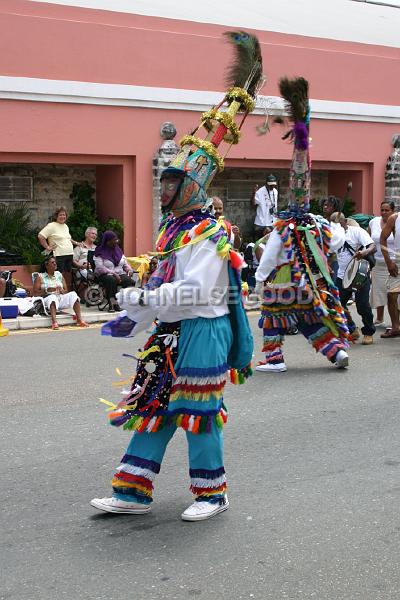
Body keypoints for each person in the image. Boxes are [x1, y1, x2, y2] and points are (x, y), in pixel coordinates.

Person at [90, 30, 258, 521]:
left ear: (191, 186)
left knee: (198, 414)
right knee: (153, 405)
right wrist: (141, 305)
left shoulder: (207, 230)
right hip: (172, 330)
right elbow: (168, 288)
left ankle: (212, 494)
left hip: (202, 330)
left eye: (172, 183)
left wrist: (143, 298)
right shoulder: (176, 229)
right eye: (163, 182)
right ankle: (132, 491)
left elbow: (195, 290)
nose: (164, 189)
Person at [255, 76, 349, 373]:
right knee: (310, 319)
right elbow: (336, 241)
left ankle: (274, 359)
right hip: (315, 282)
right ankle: (336, 352)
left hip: (286, 281)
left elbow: (270, 254)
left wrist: (259, 279)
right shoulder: (319, 224)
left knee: (272, 318)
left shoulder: (284, 227)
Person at [336, 213, 376, 345]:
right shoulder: (332, 235)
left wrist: (363, 253)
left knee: (362, 305)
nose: (337, 227)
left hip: (360, 273)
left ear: (345, 221)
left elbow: (372, 246)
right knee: (337, 305)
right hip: (342, 276)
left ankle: (368, 332)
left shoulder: (357, 231)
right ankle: (352, 328)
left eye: (339, 223)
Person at [32, 256, 89, 330]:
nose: (55, 264)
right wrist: (46, 290)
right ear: (46, 265)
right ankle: (54, 322)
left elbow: (66, 291)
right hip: (47, 299)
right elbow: (35, 293)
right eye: (52, 263)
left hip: (60, 298)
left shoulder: (59, 274)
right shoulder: (40, 276)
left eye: (55, 262)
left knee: (73, 294)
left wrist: (62, 290)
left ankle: (79, 320)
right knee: (52, 297)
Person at [38, 206, 81, 291]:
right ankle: (56, 291)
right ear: (56, 216)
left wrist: (77, 243)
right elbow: (40, 236)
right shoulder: (52, 225)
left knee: (63, 275)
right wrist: (47, 247)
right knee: (57, 274)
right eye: (60, 215)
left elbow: (68, 238)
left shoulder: (65, 226)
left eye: (64, 215)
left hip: (68, 255)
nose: (62, 217)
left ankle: (62, 291)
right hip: (58, 255)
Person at [367, 201, 396, 327]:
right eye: (382, 210)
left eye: (387, 210)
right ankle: (379, 318)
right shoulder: (373, 222)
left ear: (393, 211)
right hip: (377, 262)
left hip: (394, 263)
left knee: (394, 293)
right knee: (378, 290)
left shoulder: (396, 222)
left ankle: (395, 322)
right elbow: (368, 239)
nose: (384, 212)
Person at [93, 231, 137, 312]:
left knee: (128, 280)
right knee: (111, 280)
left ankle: (123, 302)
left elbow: (125, 263)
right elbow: (100, 267)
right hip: (104, 274)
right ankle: (112, 304)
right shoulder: (99, 252)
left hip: (119, 273)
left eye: (116, 239)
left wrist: (129, 270)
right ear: (108, 241)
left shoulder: (118, 250)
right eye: (114, 240)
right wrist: (113, 273)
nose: (116, 241)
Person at [380, 209, 400, 338]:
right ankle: (395, 327)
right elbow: (382, 239)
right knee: (391, 295)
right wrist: (389, 262)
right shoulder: (395, 218)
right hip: (398, 261)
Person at [251, 174, 278, 239]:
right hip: (261, 223)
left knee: (271, 242)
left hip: (272, 222)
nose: (272, 186)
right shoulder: (260, 191)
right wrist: (254, 193)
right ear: (266, 183)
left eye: (273, 184)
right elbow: (253, 204)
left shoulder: (275, 191)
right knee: (260, 242)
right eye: (270, 184)